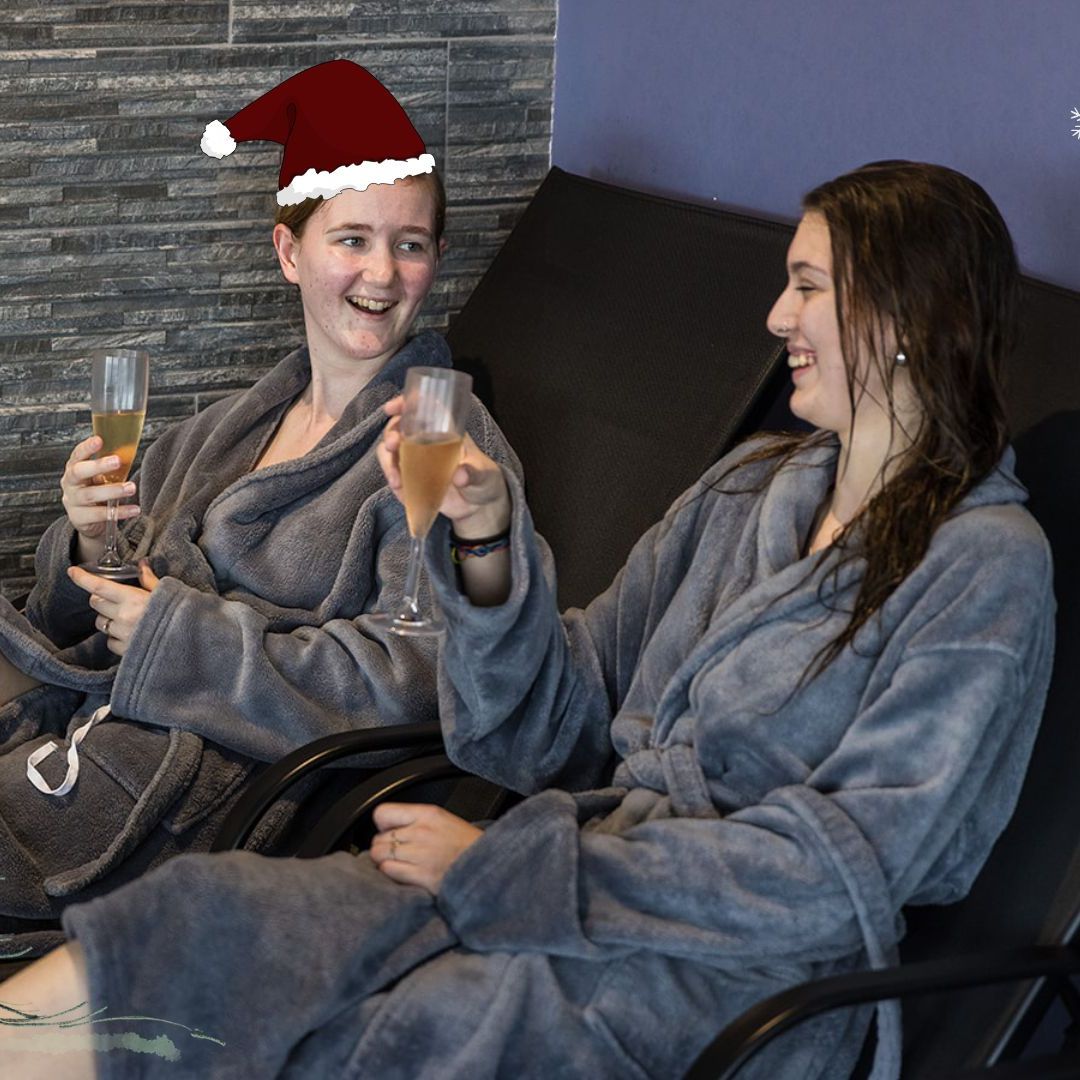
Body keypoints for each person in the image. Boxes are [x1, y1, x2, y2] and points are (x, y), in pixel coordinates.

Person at [0, 160, 1054, 1079]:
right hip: (552, 874)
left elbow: (844, 872)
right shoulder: (745, 493)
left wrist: (514, 871)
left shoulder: (982, 567)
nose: (777, 317)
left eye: (810, 286)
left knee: (389, 1031)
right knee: (209, 921)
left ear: (914, 318)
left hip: (725, 974)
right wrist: (489, 546)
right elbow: (559, 722)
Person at [0, 61, 521, 955]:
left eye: (411, 244)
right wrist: (96, 535)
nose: (383, 274)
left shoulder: (444, 443)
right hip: (107, 702)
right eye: (351, 239)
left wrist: (185, 640)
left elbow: (423, 670)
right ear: (290, 253)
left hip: (216, 768)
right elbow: (119, 589)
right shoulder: (237, 422)